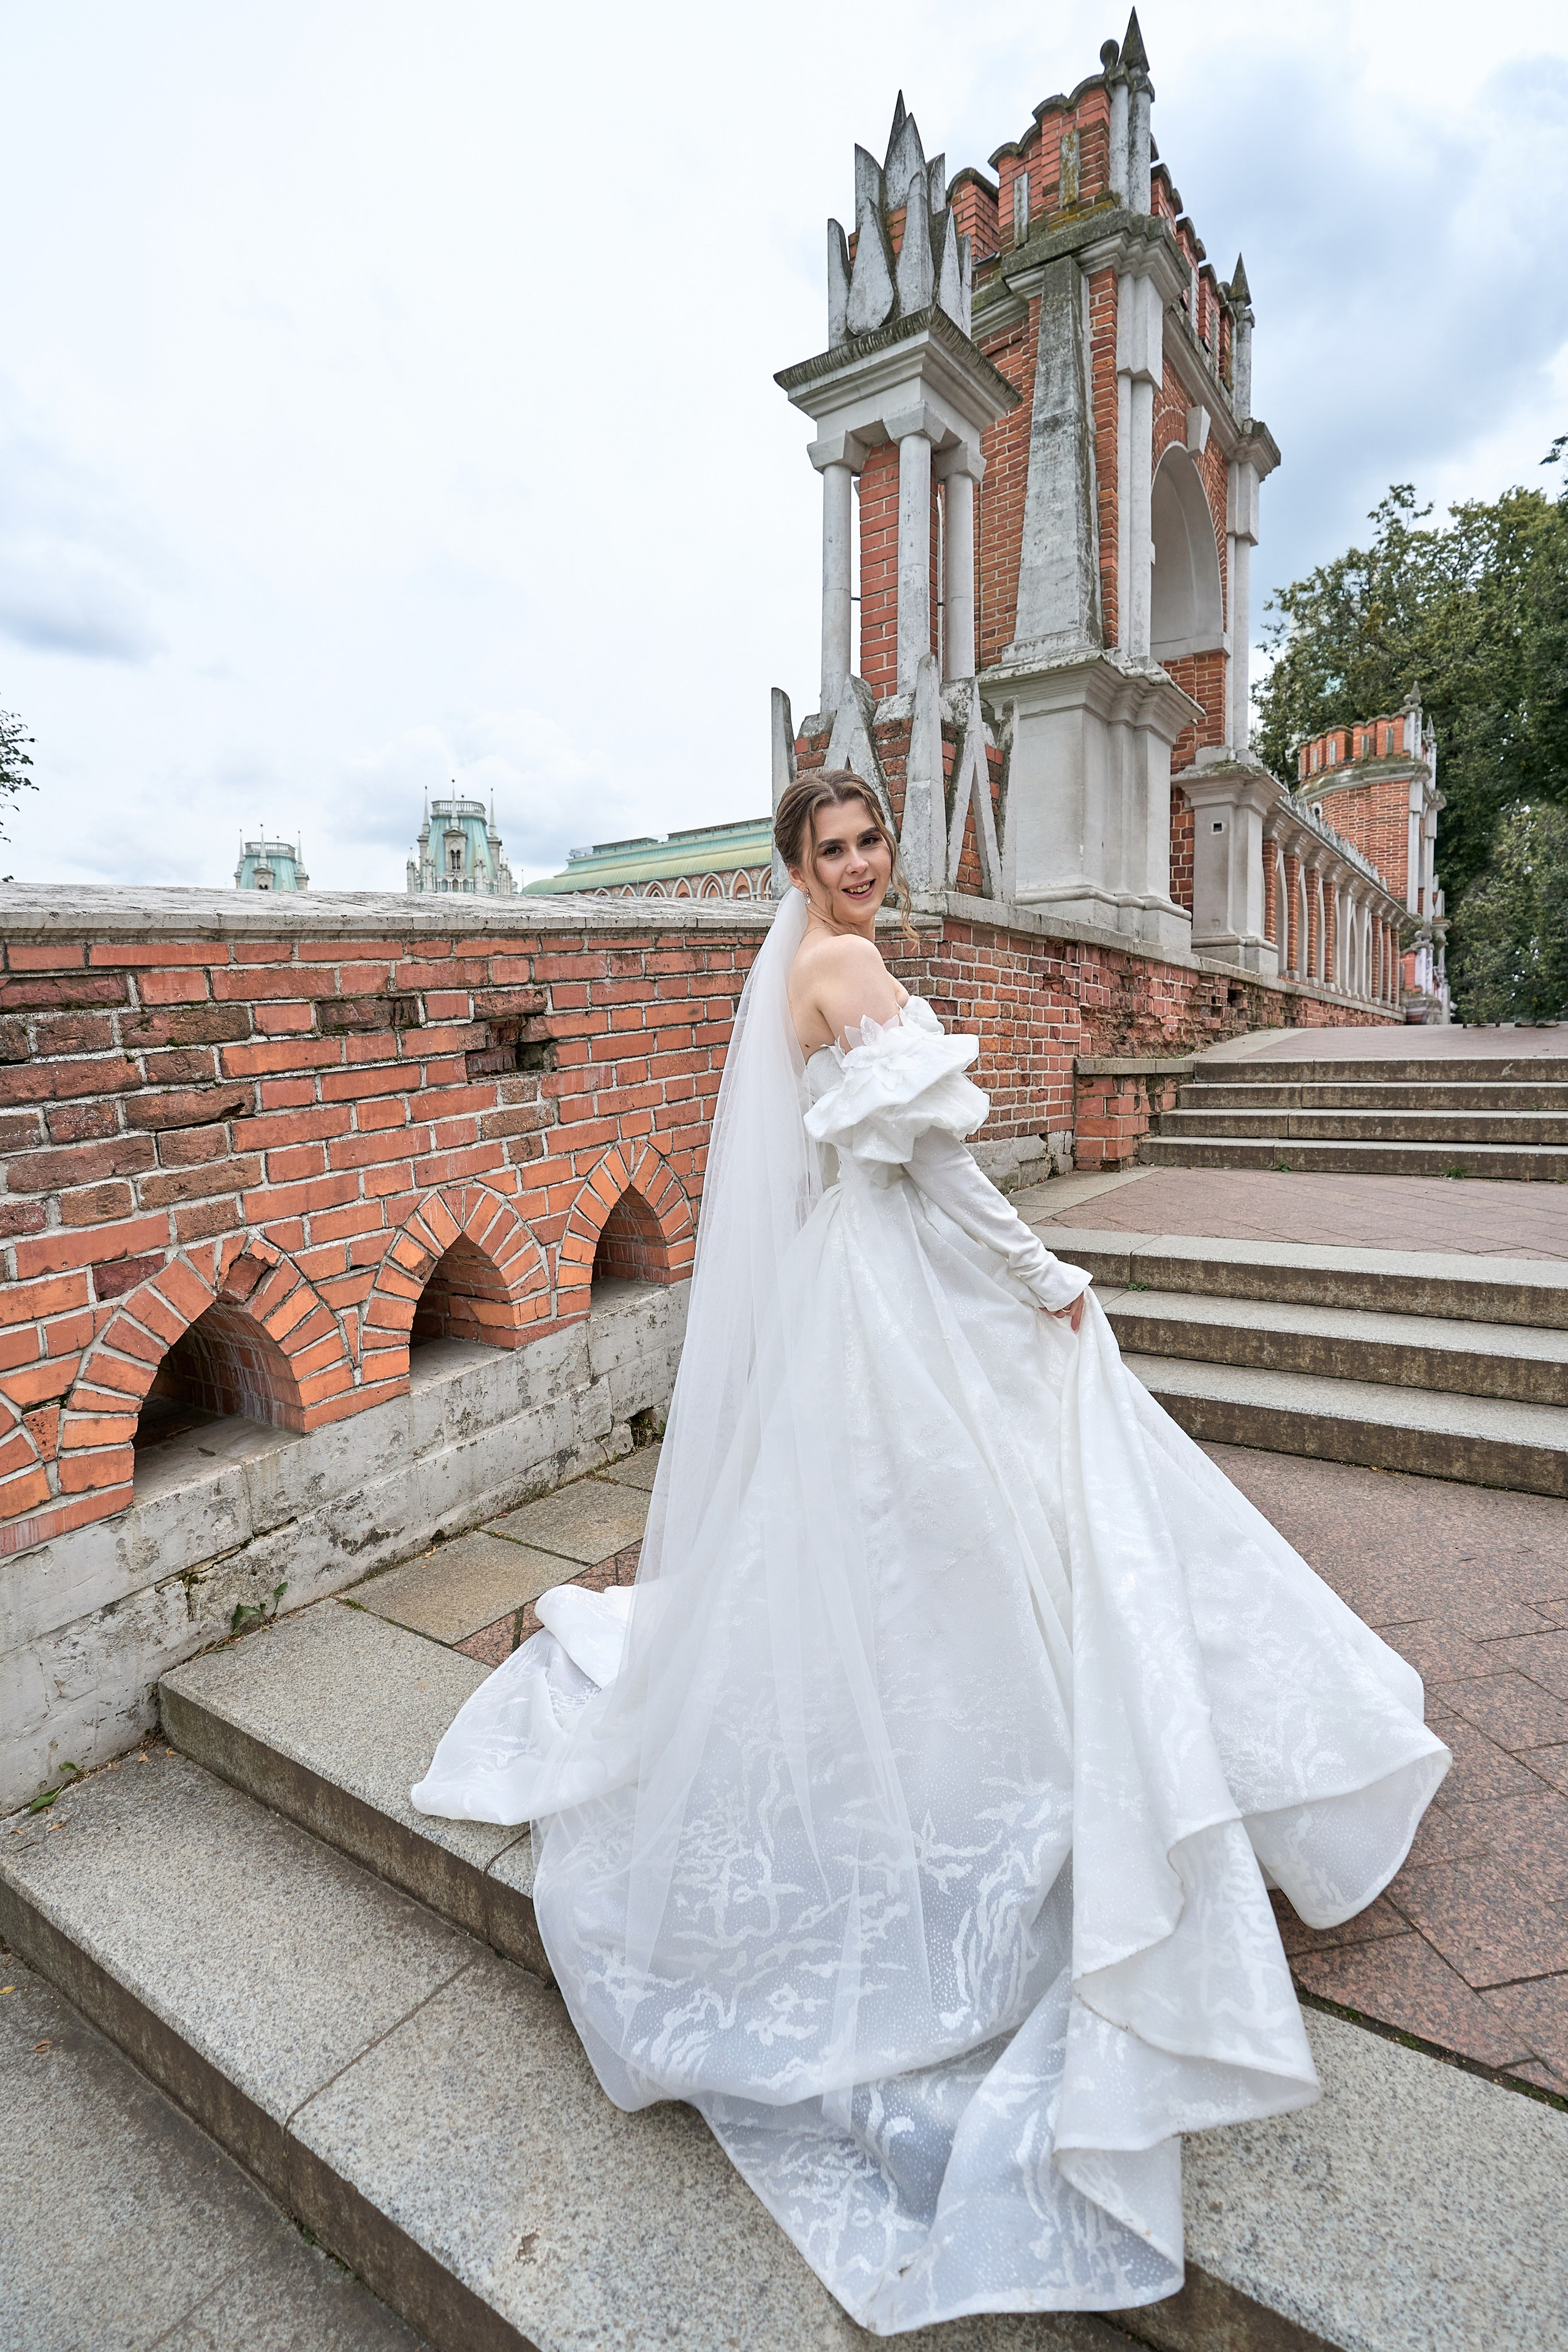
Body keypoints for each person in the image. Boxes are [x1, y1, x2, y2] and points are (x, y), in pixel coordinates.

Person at [413, 769, 1448, 2333]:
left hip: (866, 1289)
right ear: (795, 868)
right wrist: (1052, 1279)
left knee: (897, 1554)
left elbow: (875, 1162)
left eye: (868, 841)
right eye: (827, 851)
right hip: (901, 1294)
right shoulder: (837, 967)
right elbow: (946, 1175)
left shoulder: (804, 964)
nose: (855, 868)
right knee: (964, 1540)